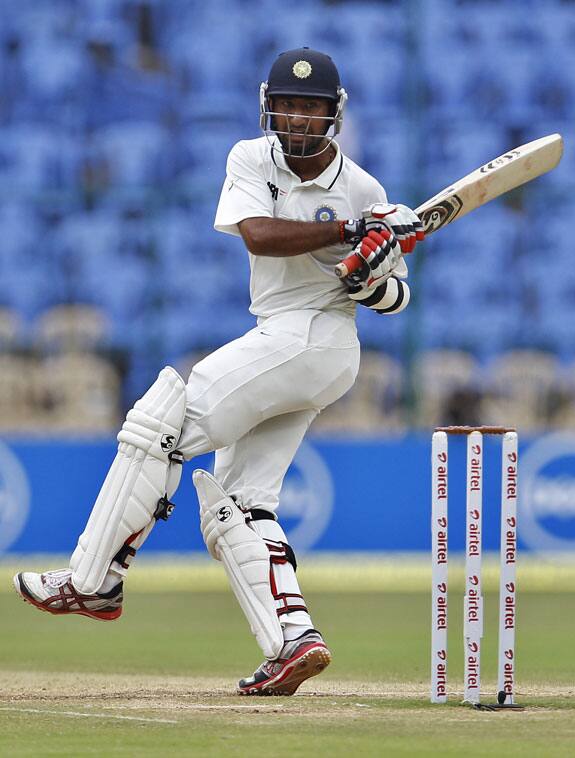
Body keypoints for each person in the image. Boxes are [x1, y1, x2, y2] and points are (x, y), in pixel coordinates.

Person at [13, 47, 424, 696]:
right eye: (286, 106)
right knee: (236, 502)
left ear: (332, 117)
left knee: (158, 423)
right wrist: (352, 234)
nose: (295, 119)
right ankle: (293, 642)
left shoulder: (365, 189)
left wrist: (372, 272)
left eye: (309, 108)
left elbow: (395, 299)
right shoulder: (251, 159)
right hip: (283, 338)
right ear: (269, 107)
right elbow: (258, 234)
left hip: (320, 341)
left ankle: (91, 582)